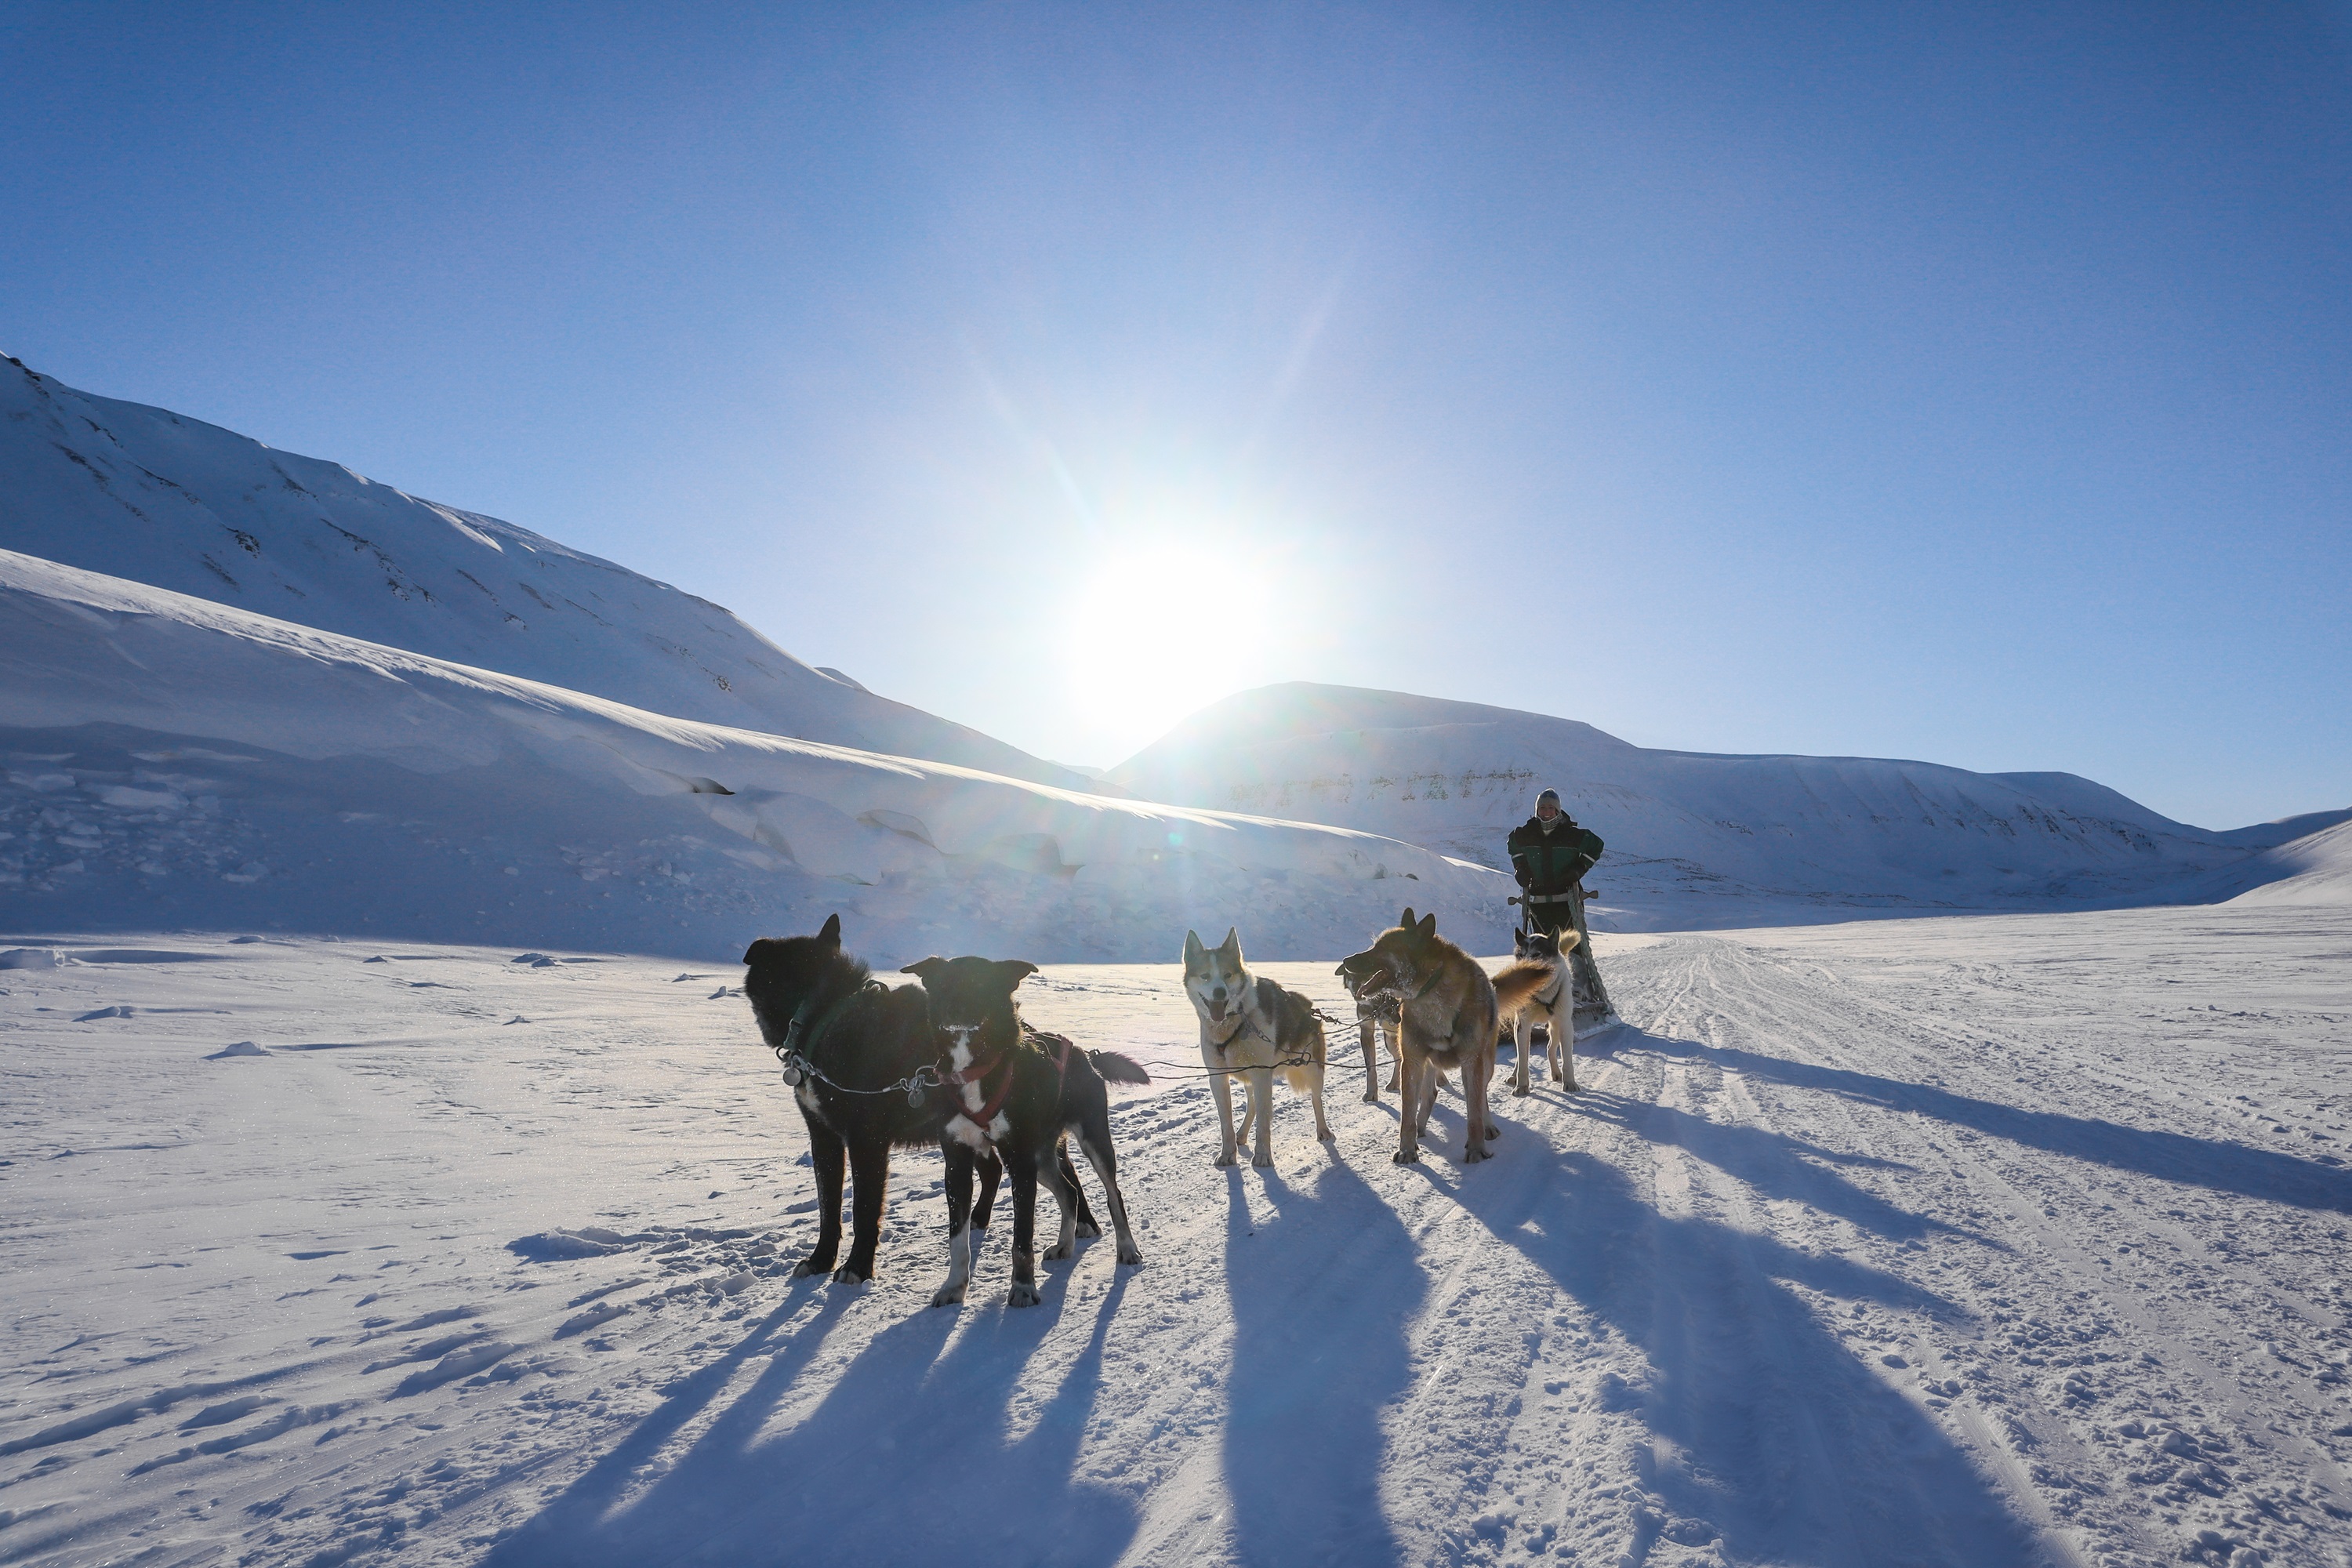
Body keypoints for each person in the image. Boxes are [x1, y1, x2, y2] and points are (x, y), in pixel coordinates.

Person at [1506, 789, 1613, 1022]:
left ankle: (1579, 991)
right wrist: (1520, 870)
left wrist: (1578, 870)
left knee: (1573, 944)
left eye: (1551, 808)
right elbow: (1514, 847)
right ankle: (1540, 990)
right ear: (1537, 810)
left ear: (1558, 809)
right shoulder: (1525, 834)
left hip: (1567, 899)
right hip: (1538, 899)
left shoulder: (1573, 835)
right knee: (1539, 947)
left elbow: (1597, 846)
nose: (1546, 812)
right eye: (1542, 808)